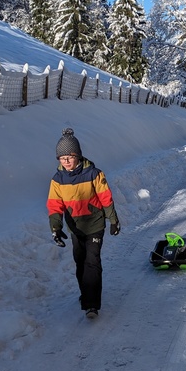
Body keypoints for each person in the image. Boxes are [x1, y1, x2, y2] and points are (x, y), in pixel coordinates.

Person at [47, 128, 121, 319]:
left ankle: (92, 305)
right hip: (76, 228)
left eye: (69, 157)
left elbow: (106, 198)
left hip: (95, 225)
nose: (66, 161)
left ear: (77, 156)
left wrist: (113, 220)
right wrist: (56, 228)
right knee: (80, 263)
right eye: (62, 158)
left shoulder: (94, 174)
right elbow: (55, 205)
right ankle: (86, 295)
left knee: (92, 262)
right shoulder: (57, 180)